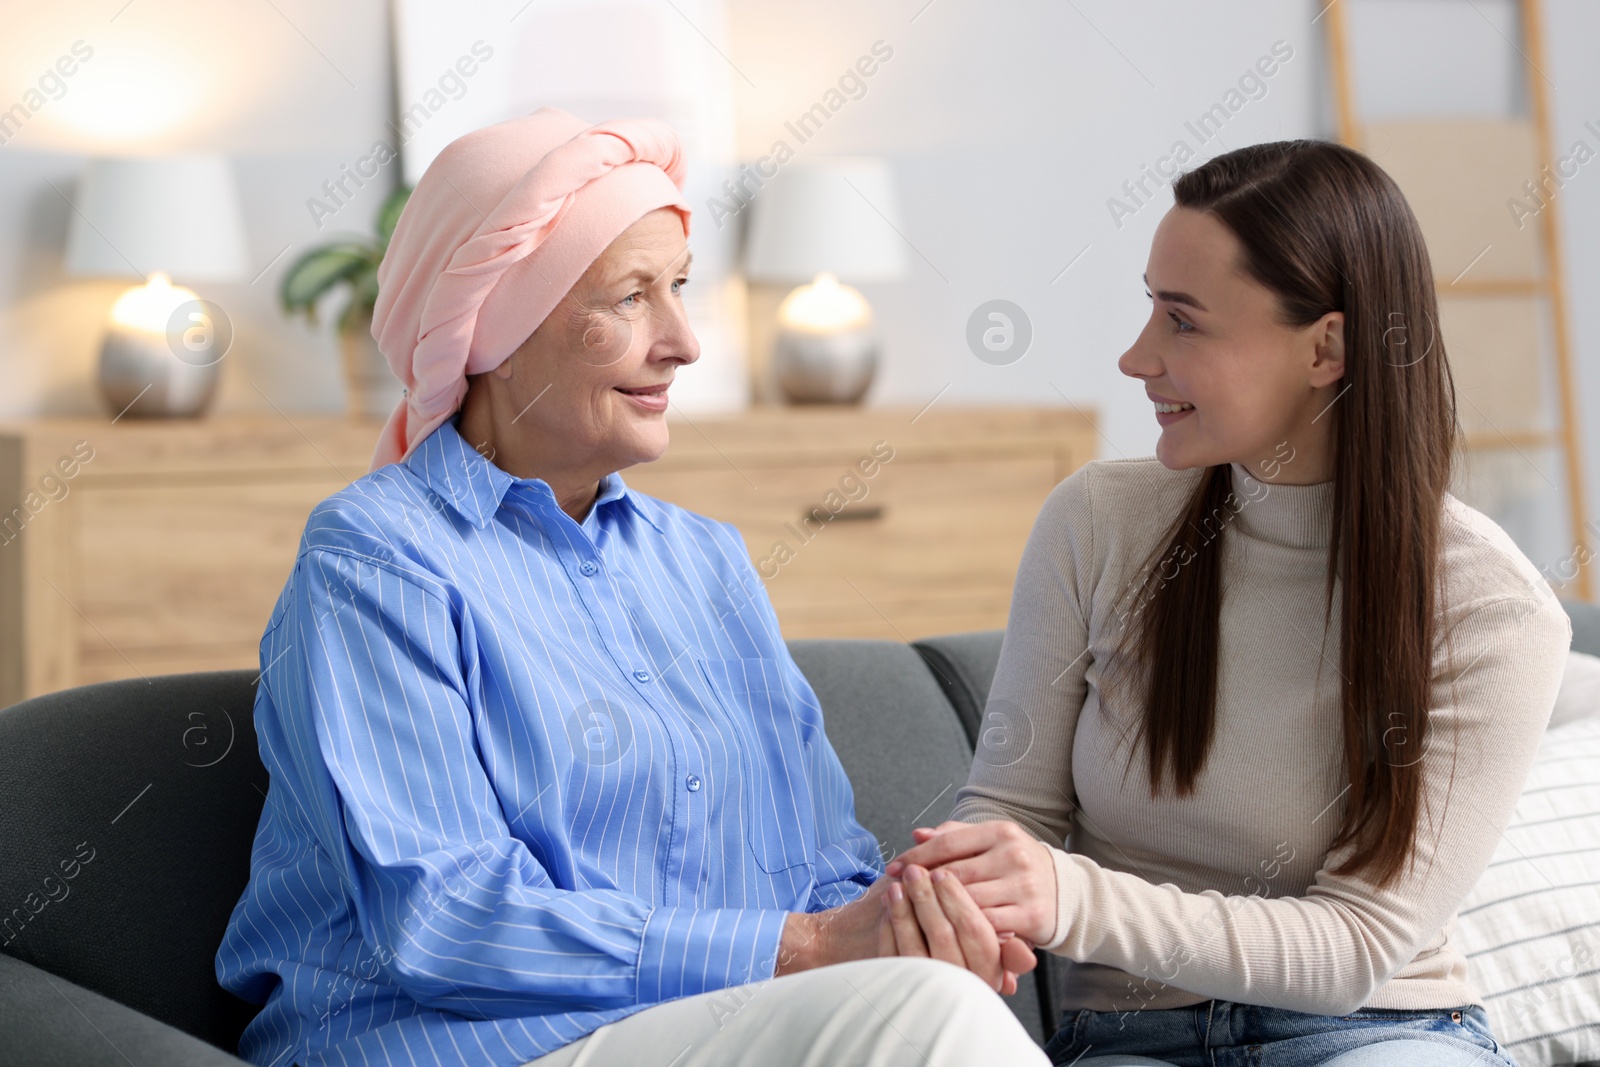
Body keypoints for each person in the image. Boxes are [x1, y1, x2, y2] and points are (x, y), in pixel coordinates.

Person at [214, 107, 1046, 1067]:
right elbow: (442, 922)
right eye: (631, 297)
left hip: (702, 1027)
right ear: (494, 327)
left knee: (927, 995)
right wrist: (812, 949)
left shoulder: (705, 561)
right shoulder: (375, 558)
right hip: (463, 1047)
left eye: (680, 288)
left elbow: (818, 864)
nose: (684, 342)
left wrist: (906, 922)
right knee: (924, 1024)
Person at [883, 140, 1569, 1066]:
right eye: (1149, 308)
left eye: (1184, 322)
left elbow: (1360, 945)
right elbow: (1011, 812)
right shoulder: (1098, 521)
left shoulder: (1489, 605)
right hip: (1133, 1038)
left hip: (1378, 1032)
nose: (1136, 357)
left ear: (1325, 347)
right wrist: (960, 892)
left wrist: (1069, 896)